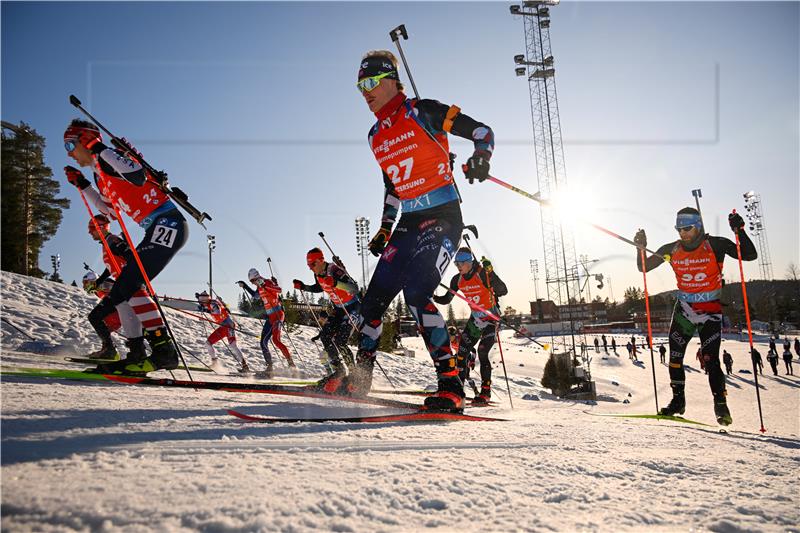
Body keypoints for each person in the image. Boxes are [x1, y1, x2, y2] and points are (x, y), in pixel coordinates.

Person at [342, 49, 495, 412]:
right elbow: (393, 187)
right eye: (360, 84)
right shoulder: (375, 135)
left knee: (416, 293)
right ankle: (360, 380)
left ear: (394, 81)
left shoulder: (421, 111)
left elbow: (482, 131)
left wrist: (481, 156)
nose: (366, 91)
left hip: (442, 215)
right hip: (409, 222)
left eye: (372, 82)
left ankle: (451, 385)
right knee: (372, 303)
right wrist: (383, 228)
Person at [64, 120, 188, 374]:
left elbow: (138, 175)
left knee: (130, 283)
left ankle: (164, 352)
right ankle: (139, 352)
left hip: (168, 223)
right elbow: (109, 211)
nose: (69, 153)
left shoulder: (108, 158)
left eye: (70, 144)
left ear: (85, 139)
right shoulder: (100, 173)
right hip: (156, 226)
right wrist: (83, 185)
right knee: (126, 288)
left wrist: (99, 147)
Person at [634, 207, 756, 425]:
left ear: (698, 226)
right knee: (674, 358)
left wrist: (739, 230)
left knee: (711, 361)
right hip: (684, 311)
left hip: (709, 312)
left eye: (687, 228)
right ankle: (678, 401)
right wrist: (640, 248)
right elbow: (644, 268)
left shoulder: (715, 245)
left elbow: (749, 255)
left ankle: (721, 405)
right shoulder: (671, 249)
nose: (683, 233)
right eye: (679, 229)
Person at [84, 214, 169, 367]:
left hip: (130, 287)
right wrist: (98, 282)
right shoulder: (107, 244)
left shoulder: (113, 241)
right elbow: (111, 266)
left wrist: (132, 277)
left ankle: (144, 352)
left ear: (101, 228)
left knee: (99, 316)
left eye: (92, 229)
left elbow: (131, 256)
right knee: (97, 317)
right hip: (122, 287)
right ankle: (119, 350)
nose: (90, 233)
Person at [432, 248, 508, 404]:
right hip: (475, 320)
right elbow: (446, 299)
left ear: (469, 262)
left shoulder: (482, 273)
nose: (458, 266)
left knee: (482, 352)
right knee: (461, 353)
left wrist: (491, 274)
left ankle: (485, 392)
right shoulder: (457, 280)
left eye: (461, 263)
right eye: (456, 263)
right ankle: (457, 390)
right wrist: (431, 296)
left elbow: (503, 291)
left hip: (490, 318)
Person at [293, 248, 360, 392]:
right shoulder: (318, 274)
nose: (311, 268)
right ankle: (339, 371)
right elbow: (319, 287)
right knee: (325, 336)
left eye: (312, 264)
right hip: (339, 309)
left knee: (340, 341)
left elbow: (354, 288)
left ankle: (354, 375)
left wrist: (336, 283)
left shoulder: (334, 270)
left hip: (353, 307)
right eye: (309, 265)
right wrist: (304, 287)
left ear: (321, 260)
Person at [238, 268, 296, 377]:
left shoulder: (267, 282)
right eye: (251, 282)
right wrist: (245, 286)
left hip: (278, 314)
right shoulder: (259, 287)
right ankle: (270, 368)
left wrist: (265, 285)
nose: (253, 283)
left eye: (253, 280)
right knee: (263, 342)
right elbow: (255, 296)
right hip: (270, 317)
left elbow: (279, 290)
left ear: (258, 277)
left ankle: (291, 364)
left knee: (276, 340)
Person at [196, 291, 249, 373]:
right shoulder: (209, 303)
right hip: (225, 326)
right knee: (209, 343)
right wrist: (200, 301)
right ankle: (215, 362)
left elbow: (217, 312)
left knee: (232, 345)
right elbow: (208, 306)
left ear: (205, 300)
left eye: (201, 302)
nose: (201, 304)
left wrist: (205, 310)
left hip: (227, 325)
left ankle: (244, 366)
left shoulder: (213, 304)